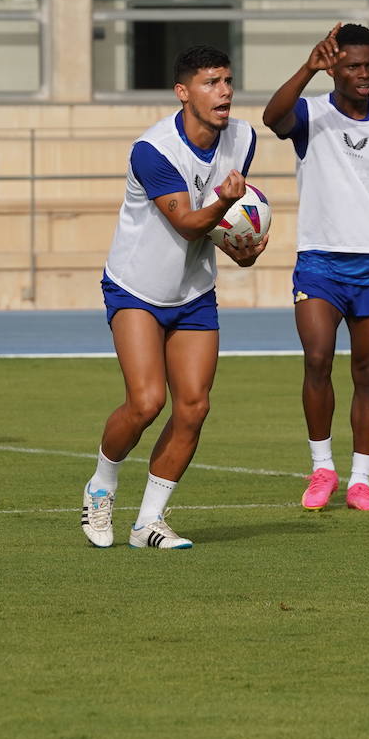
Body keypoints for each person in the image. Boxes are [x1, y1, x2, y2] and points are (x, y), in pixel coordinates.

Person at [80, 45, 266, 550]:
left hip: (194, 291)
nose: (224, 91)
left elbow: (217, 225)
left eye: (227, 80)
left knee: (194, 407)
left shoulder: (244, 138)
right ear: (183, 92)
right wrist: (225, 203)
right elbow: (186, 223)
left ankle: (148, 523)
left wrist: (240, 249)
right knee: (146, 402)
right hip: (136, 286)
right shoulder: (153, 150)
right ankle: (101, 486)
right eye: (210, 82)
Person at [261, 23, 369, 512]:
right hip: (319, 264)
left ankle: (361, 481)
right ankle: (322, 469)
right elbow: (272, 117)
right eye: (354, 66)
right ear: (334, 68)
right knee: (317, 359)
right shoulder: (310, 115)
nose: (364, 74)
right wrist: (307, 68)